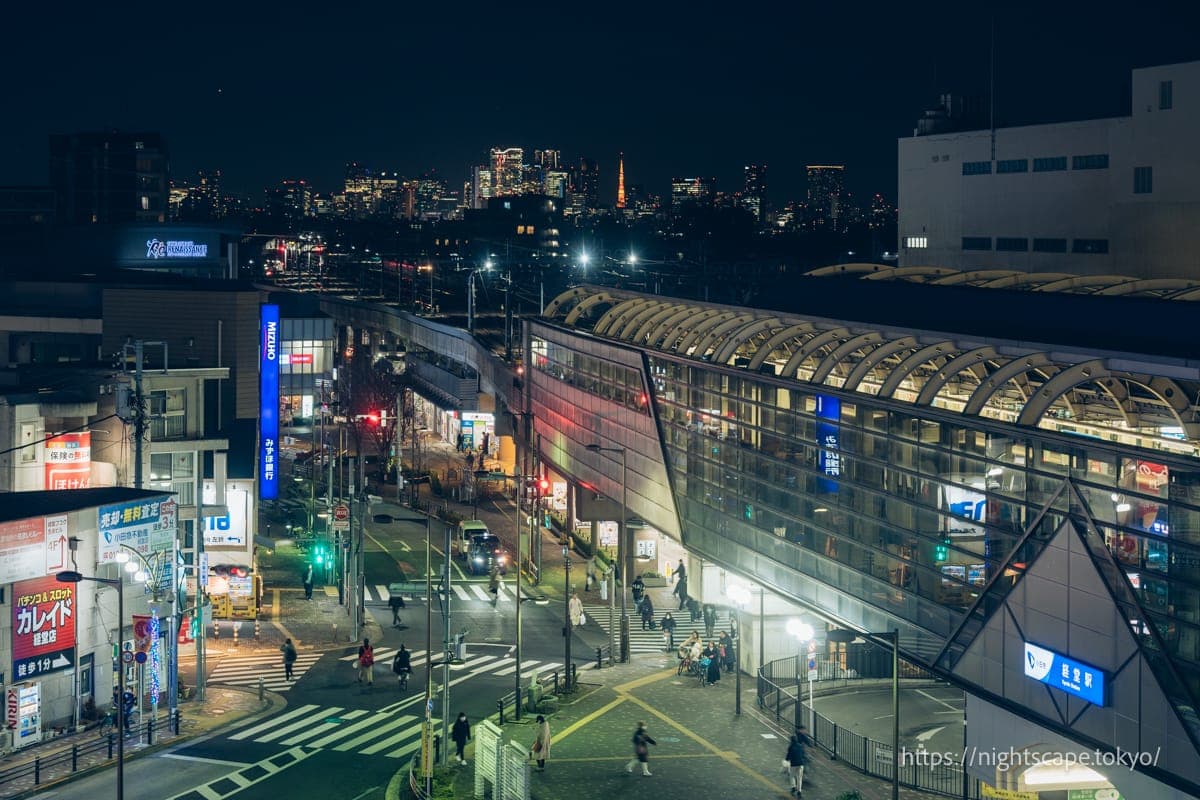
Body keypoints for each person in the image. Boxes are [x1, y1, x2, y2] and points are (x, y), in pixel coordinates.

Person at [785, 726, 812, 796]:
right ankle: (799, 790)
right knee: (799, 778)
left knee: (792, 776)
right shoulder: (800, 746)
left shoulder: (790, 747)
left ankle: (793, 786)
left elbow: (788, 757)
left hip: (793, 764)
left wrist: (787, 760)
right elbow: (803, 753)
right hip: (801, 764)